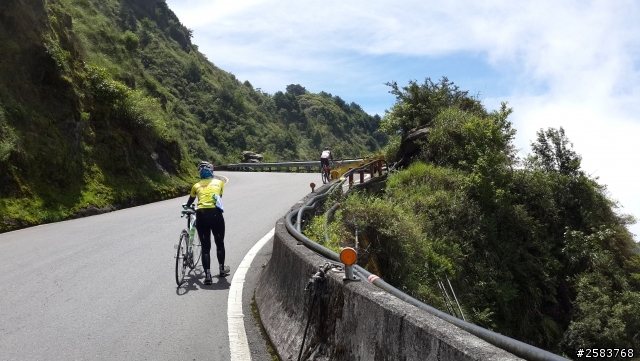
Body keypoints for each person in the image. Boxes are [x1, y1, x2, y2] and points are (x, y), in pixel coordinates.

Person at [183, 161, 227, 285]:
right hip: (215, 214)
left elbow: (189, 203)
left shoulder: (196, 186)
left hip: (201, 214)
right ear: (211, 171)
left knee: (205, 247)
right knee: (219, 243)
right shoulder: (220, 183)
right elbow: (219, 198)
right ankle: (222, 269)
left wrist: (187, 207)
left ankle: (207, 275)